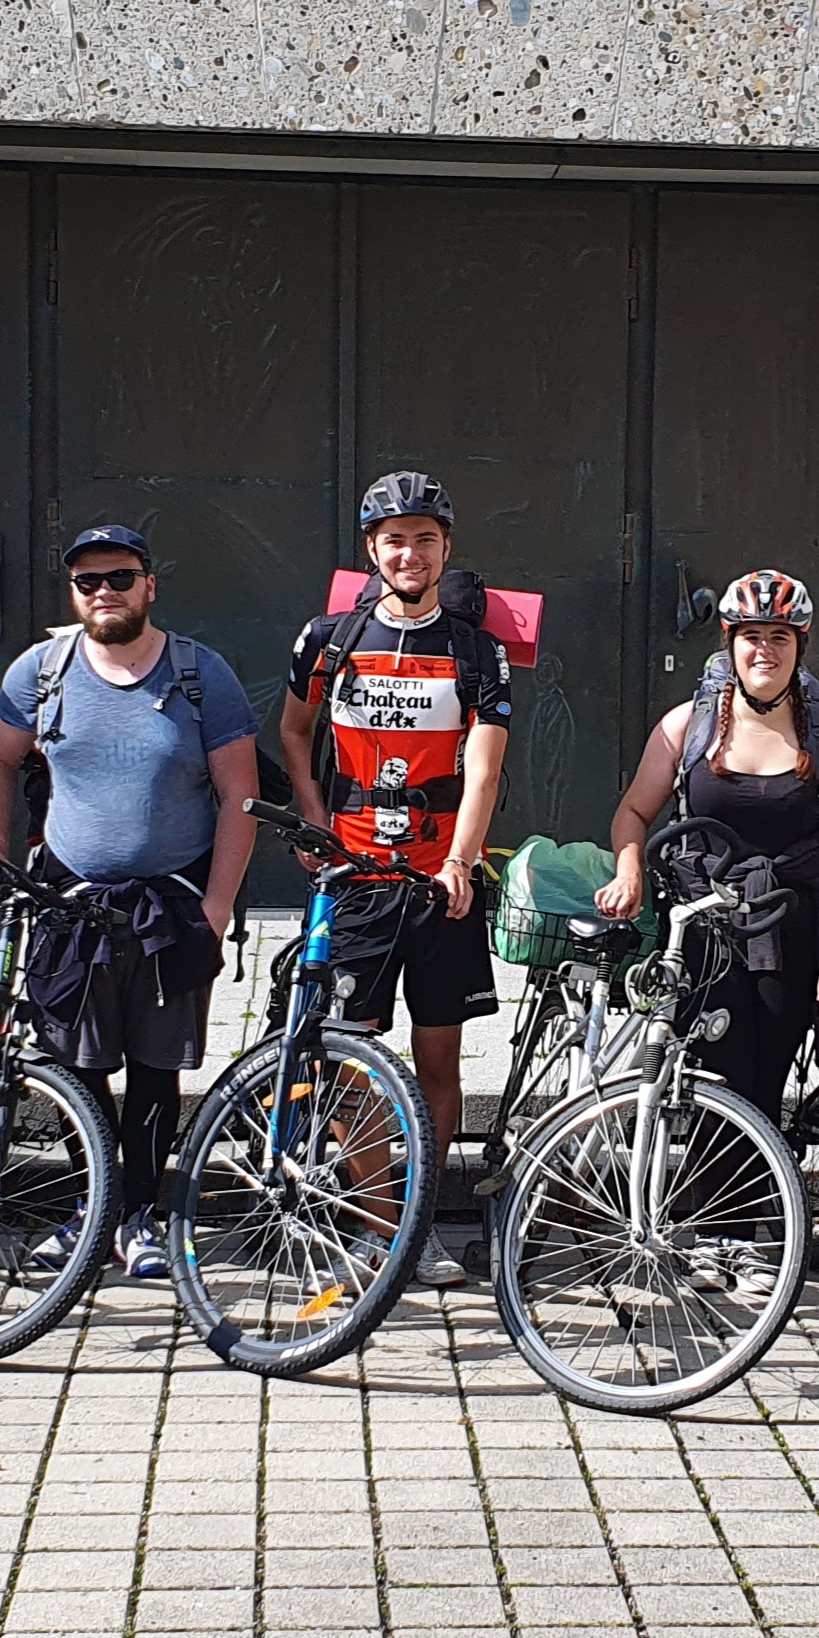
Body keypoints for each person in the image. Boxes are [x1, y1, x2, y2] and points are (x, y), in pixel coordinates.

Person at [0, 525, 258, 1278]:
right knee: (76, 1061)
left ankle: (142, 1215)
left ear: (150, 585)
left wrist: (217, 908)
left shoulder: (201, 674)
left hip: (170, 903)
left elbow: (239, 794)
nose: (105, 592)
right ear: (74, 593)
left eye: (120, 578)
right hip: (71, 900)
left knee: (156, 1067)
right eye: (88, 581)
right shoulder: (41, 671)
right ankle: (92, 1211)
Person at [596, 571, 819, 1295]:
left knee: (762, 1083)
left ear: (799, 646)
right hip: (704, 927)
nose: (765, 650)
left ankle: (746, 1243)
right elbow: (632, 814)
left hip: (791, 926)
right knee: (709, 1081)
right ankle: (704, 1237)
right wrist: (629, 871)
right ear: (731, 643)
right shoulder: (687, 726)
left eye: (779, 637)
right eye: (753, 637)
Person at [279, 471, 511, 1291]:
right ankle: (382, 1230)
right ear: (371, 550)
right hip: (355, 880)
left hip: (441, 881)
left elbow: (483, 769)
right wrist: (312, 818)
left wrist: (460, 858)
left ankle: (417, 1223)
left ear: (446, 548)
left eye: (425, 538)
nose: (408, 553)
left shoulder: (475, 652)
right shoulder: (327, 639)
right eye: (393, 539)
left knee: (438, 1061)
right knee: (347, 1059)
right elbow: (295, 728)